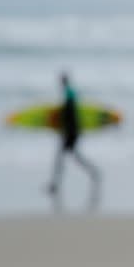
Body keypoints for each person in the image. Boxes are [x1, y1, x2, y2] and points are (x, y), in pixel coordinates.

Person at [47, 72, 101, 208]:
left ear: (63, 81)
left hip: (71, 132)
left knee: (64, 157)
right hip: (73, 132)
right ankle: (93, 173)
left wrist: (66, 131)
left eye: (61, 80)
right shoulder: (70, 93)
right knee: (68, 157)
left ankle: (56, 183)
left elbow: (70, 116)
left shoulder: (69, 95)